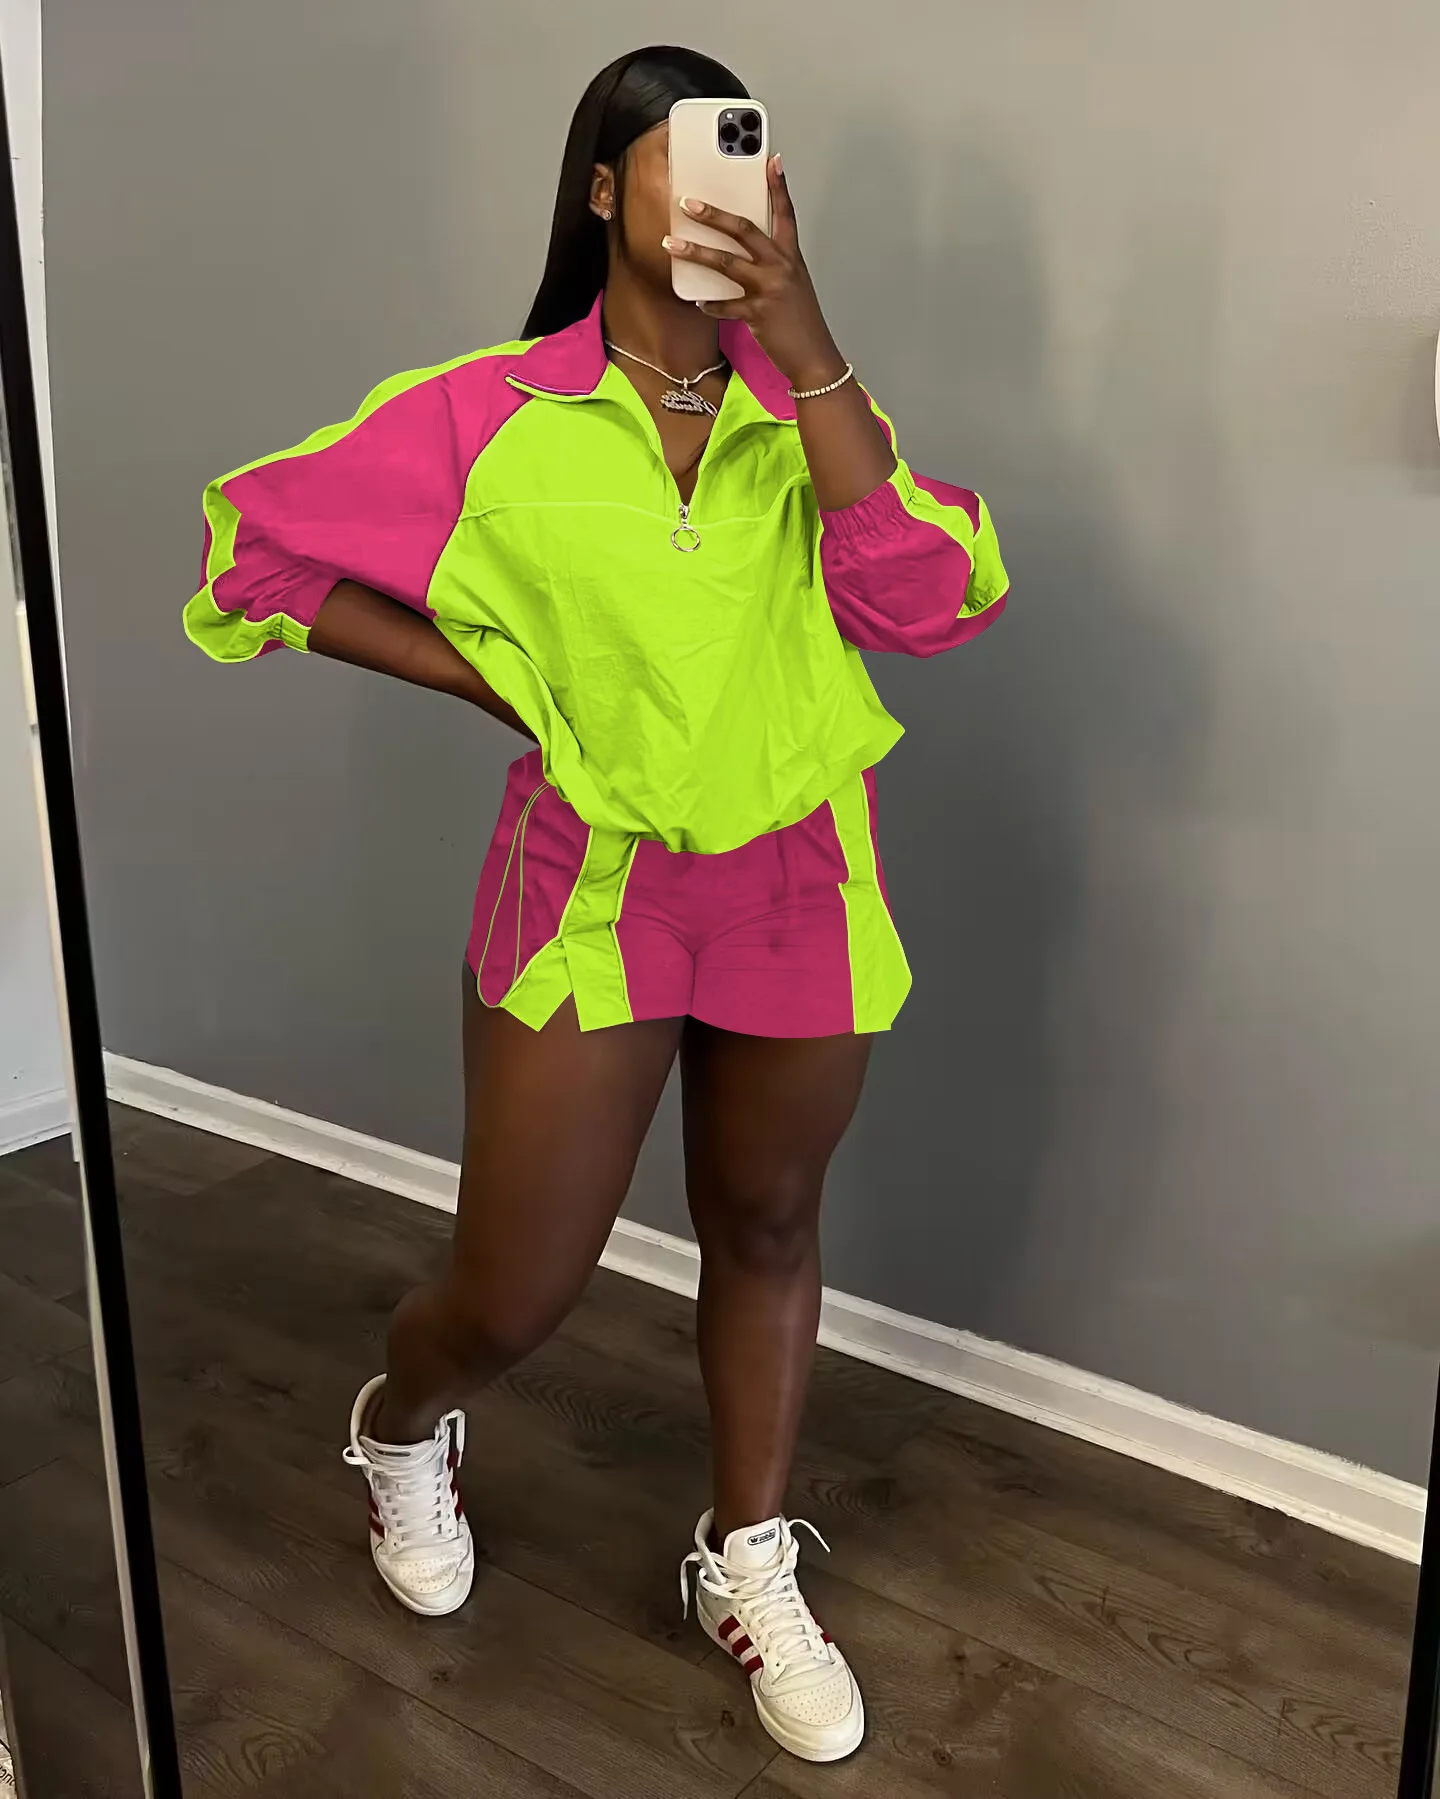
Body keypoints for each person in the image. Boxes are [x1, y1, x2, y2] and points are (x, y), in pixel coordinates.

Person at [183, 44, 1007, 1765]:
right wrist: (487, 676)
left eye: (745, 165)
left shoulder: (809, 417)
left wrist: (808, 341)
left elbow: (931, 603)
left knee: (768, 1224)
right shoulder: (489, 413)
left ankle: (745, 1551)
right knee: (514, 1290)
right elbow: (252, 549)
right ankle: (402, 1423)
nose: (717, 195)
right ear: (602, 187)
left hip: (802, 878)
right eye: (681, 158)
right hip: (594, 890)